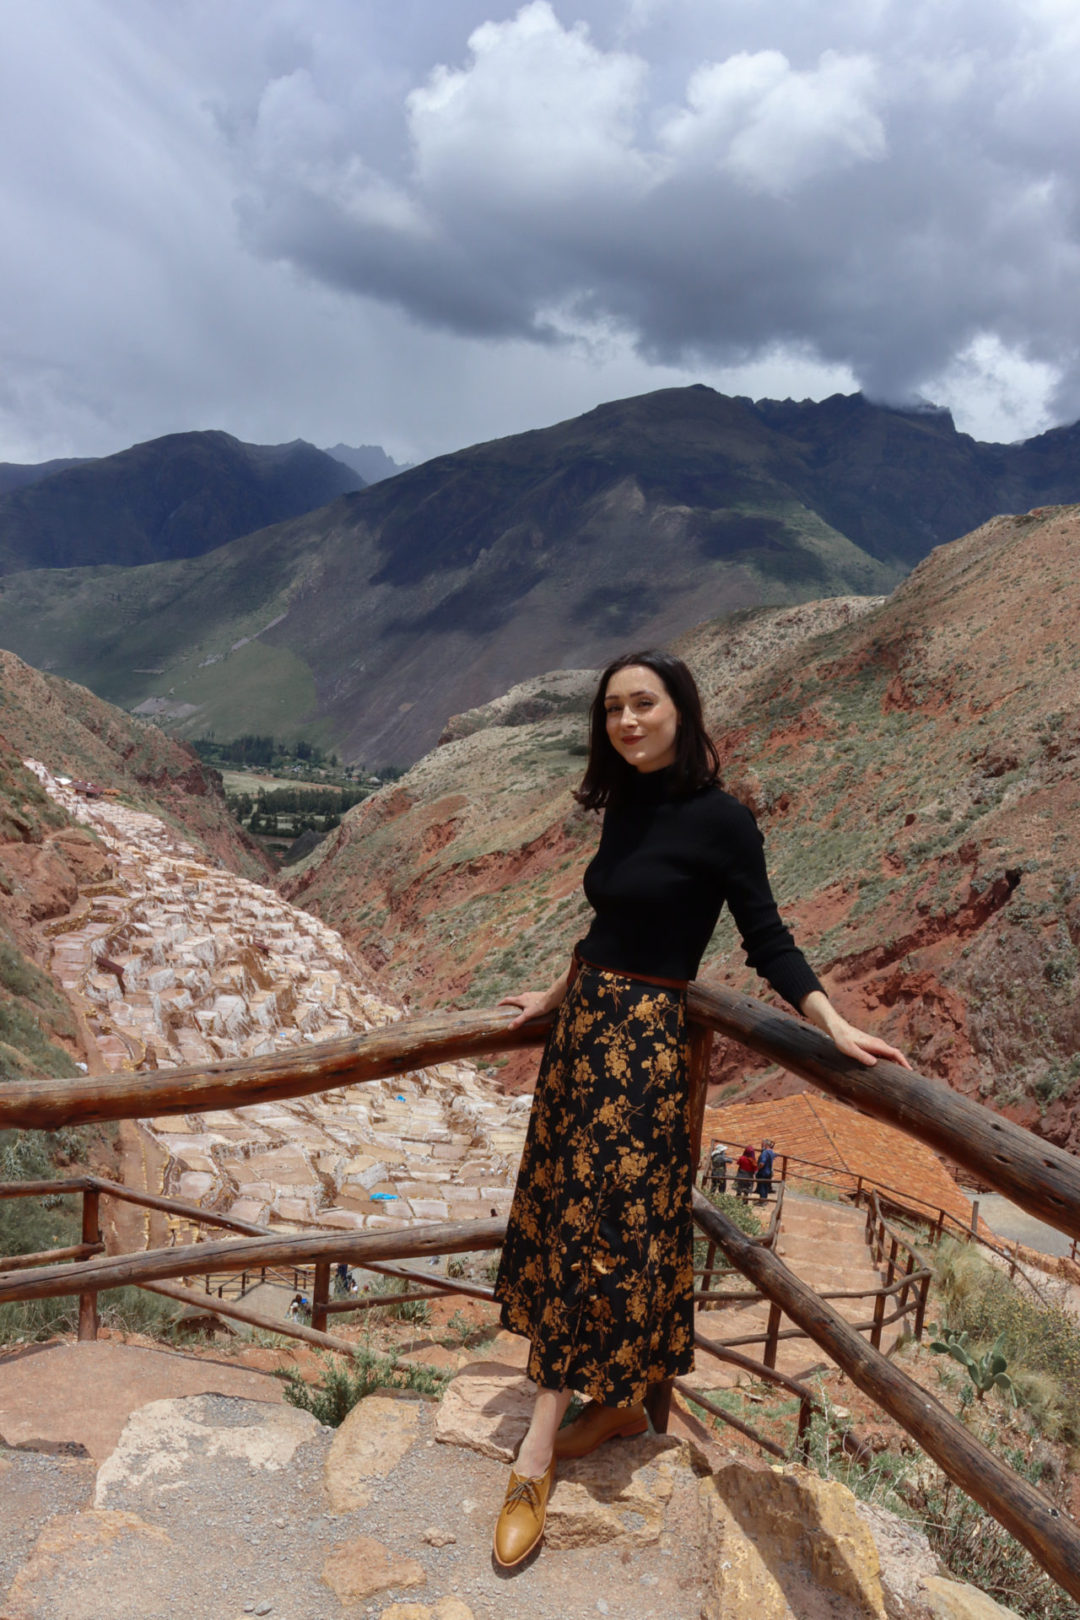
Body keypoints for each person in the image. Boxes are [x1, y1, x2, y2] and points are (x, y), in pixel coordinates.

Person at [491, 649, 909, 1569]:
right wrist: (552, 1000)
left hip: (643, 1049)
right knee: (572, 1221)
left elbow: (766, 936)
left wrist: (833, 1026)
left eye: (643, 704)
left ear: (683, 709)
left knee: (604, 1232)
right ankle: (613, 1405)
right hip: (585, 1036)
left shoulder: (725, 822)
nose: (627, 721)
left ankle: (534, 1452)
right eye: (612, 710)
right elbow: (607, 927)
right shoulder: (626, 805)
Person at [756, 1139, 776, 1204]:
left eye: (762, 1144)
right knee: (766, 1187)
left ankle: (762, 1201)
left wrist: (757, 1168)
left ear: (765, 1144)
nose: (761, 1145)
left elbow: (762, 1163)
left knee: (762, 1186)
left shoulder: (765, 1153)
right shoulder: (771, 1152)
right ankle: (765, 1200)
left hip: (763, 1172)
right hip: (768, 1172)